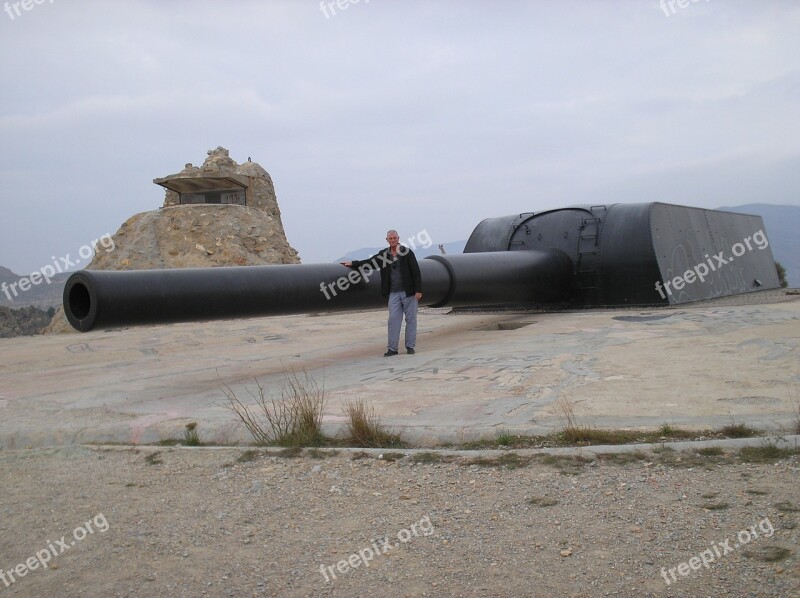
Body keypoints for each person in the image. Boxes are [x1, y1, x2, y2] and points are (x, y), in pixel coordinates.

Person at [342, 230, 423, 356]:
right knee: (393, 320)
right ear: (387, 240)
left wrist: (418, 290)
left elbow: (416, 271)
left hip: (409, 293)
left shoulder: (407, 253)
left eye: (394, 238)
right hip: (393, 293)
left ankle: (410, 346)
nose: (392, 240)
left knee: (411, 319)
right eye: (390, 238)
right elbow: (370, 263)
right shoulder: (384, 255)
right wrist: (354, 263)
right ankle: (392, 349)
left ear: (398, 238)